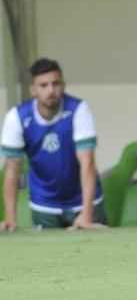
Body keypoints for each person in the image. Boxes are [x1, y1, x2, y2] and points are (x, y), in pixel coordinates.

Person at [2, 58, 107, 231]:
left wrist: (87, 215)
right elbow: (12, 169)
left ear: (63, 85)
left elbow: (87, 162)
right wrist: (10, 219)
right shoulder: (16, 117)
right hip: (44, 206)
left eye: (55, 84)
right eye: (43, 85)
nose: (51, 90)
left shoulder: (79, 110)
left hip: (85, 203)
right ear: (33, 90)